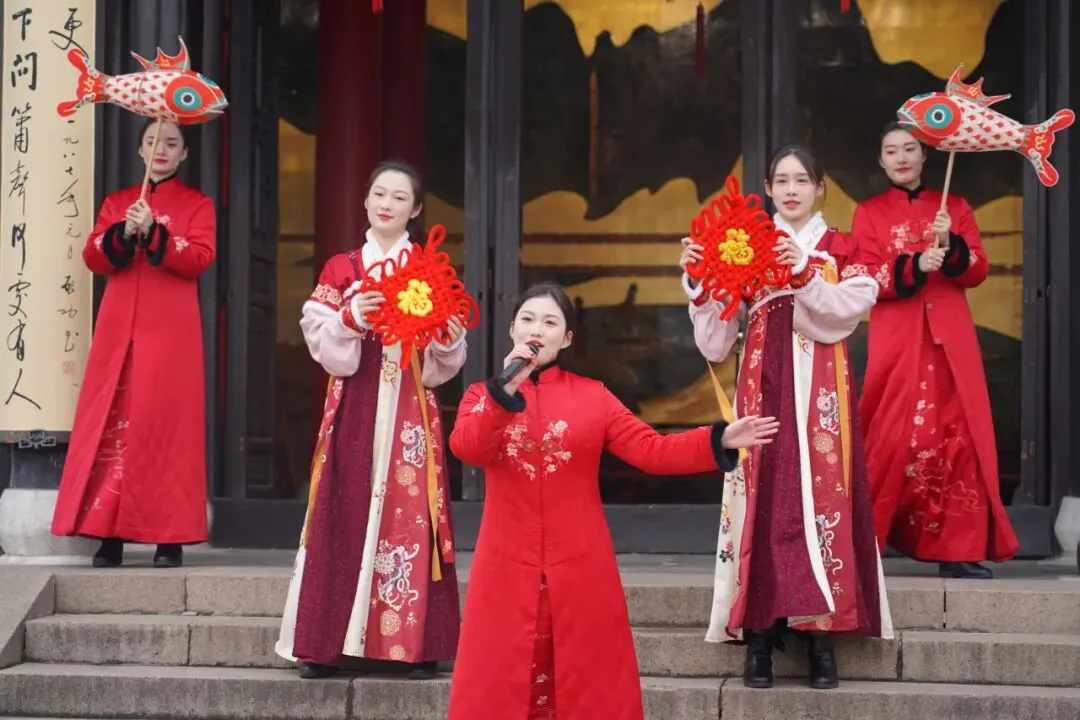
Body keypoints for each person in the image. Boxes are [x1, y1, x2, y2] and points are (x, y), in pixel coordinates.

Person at [446, 283, 779, 719]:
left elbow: (652, 451)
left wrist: (718, 439)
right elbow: (469, 448)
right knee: (498, 679)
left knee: (587, 680)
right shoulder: (481, 396)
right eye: (527, 319)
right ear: (512, 329)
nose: (537, 330)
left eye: (550, 322)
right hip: (505, 562)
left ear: (567, 338)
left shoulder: (593, 396)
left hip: (580, 562)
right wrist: (503, 392)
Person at [686, 145, 893, 690]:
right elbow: (716, 342)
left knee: (823, 498)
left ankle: (821, 638)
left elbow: (842, 315)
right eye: (782, 181)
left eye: (802, 180)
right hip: (762, 389)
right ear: (768, 189)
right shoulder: (745, 246)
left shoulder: (841, 247)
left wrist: (802, 272)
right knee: (761, 496)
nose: (792, 190)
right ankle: (759, 637)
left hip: (821, 394)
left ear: (820, 187)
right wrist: (704, 281)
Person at [275, 160, 466, 681]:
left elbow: (440, 365)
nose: (387, 204)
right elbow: (320, 339)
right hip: (356, 404)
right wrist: (350, 317)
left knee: (412, 516)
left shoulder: (429, 270)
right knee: (342, 508)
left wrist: (447, 339)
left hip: (410, 410)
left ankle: (417, 646)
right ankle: (322, 645)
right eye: (379, 193)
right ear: (365, 200)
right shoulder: (343, 268)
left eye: (400, 197)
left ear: (416, 209)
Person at [853, 123, 1018, 579]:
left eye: (910, 149)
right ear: (881, 161)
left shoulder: (955, 208)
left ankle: (957, 549)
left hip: (950, 342)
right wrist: (914, 265)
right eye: (891, 150)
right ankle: (864, 544)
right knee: (890, 438)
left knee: (956, 440)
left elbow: (977, 271)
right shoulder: (868, 213)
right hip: (897, 341)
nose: (901, 157)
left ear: (925, 156)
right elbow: (864, 276)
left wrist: (950, 244)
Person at [51, 119, 215, 569]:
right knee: (114, 422)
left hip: (172, 331)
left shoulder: (198, 204)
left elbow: (200, 258)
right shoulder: (117, 202)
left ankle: (169, 539)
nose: (160, 149)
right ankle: (108, 535)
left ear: (184, 154)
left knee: (166, 426)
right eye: (152, 141)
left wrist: (156, 231)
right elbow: (93, 257)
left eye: (171, 143)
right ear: (140, 151)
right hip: (118, 325)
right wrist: (123, 231)